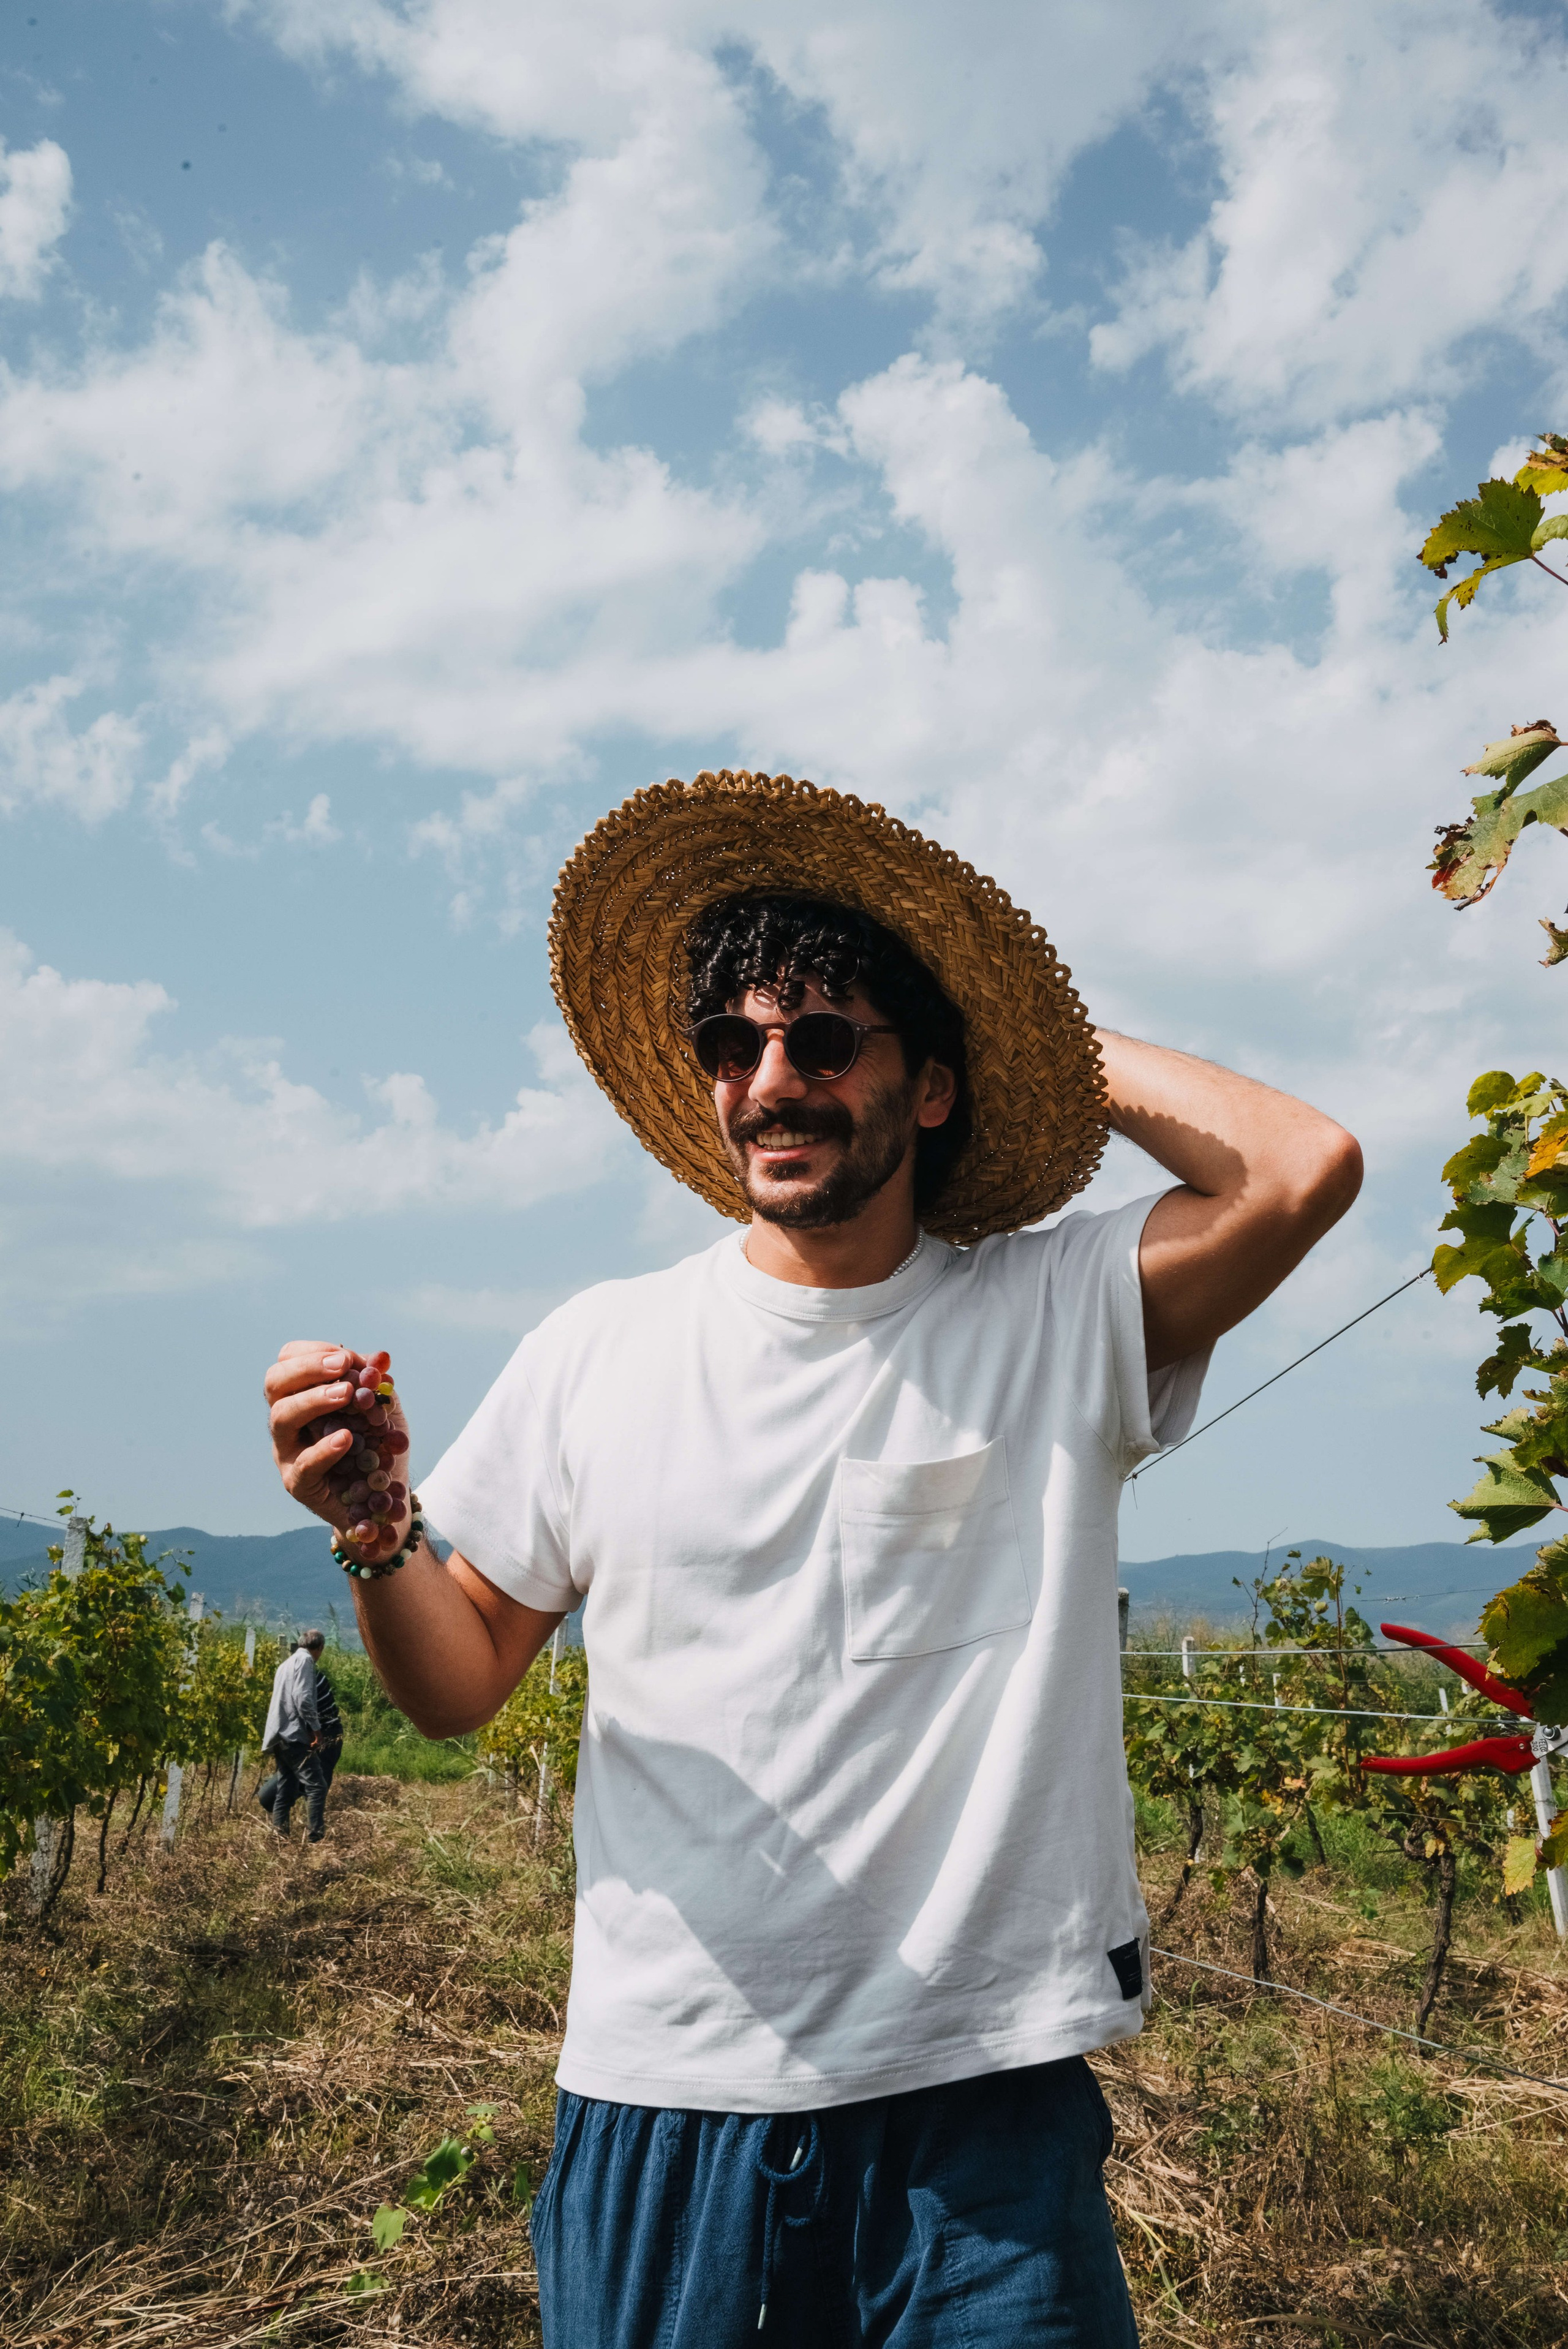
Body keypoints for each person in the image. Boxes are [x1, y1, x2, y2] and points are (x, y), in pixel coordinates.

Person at [263, 772, 1362, 2345]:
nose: (770, 1082)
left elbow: (1297, 1166)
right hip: (669, 2094)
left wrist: (1024, 1027)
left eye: (825, 1038)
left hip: (981, 2115)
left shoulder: (1044, 1314)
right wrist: (374, 1530)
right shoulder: (597, 1349)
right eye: (735, 1044)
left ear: (928, 1084)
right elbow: (455, 1683)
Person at [257, 1642, 344, 1819]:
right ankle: (311, 1832)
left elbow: (302, 1706)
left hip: (313, 1736)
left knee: (302, 1784)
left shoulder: (298, 1676)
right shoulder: (303, 1675)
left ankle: (300, 1833)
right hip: (312, 1736)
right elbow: (300, 1705)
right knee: (310, 1786)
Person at [260, 1627, 330, 1844]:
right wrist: (316, 1730)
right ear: (319, 1648)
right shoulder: (306, 1662)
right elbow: (303, 1699)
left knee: (286, 1786)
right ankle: (315, 1838)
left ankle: (279, 1837)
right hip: (293, 1736)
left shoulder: (286, 1664)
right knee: (317, 1785)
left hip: (278, 1734)